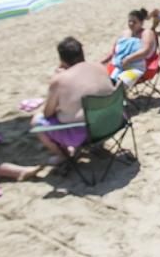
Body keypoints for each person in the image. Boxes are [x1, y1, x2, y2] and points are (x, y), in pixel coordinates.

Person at [31, 37, 114, 165]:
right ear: (82, 53)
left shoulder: (59, 80)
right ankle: (98, 147)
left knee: (37, 122)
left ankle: (63, 155)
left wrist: (58, 76)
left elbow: (48, 113)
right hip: (113, 123)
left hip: (87, 134)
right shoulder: (100, 67)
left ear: (62, 59)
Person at [101, 8, 158, 88]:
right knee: (107, 82)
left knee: (119, 84)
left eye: (134, 22)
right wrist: (103, 61)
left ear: (141, 23)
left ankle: (117, 97)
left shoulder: (147, 33)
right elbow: (113, 51)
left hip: (138, 67)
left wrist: (128, 59)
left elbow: (146, 50)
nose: (131, 24)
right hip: (120, 65)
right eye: (129, 21)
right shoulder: (125, 33)